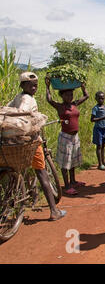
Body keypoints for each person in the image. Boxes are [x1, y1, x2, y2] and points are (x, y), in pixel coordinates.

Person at [8, 72, 66, 220]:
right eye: (30, 85)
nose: (34, 87)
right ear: (23, 85)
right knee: (42, 174)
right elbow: (23, 115)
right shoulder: (27, 100)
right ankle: (54, 211)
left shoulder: (18, 97)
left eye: (35, 85)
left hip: (14, 142)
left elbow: (8, 110)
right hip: (31, 142)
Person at [45, 77, 89, 196]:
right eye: (67, 95)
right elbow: (49, 99)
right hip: (66, 137)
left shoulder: (74, 104)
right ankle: (67, 186)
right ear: (62, 96)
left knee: (73, 160)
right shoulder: (60, 107)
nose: (70, 97)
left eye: (71, 94)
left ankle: (73, 181)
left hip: (75, 137)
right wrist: (47, 86)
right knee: (66, 162)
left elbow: (86, 96)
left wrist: (83, 86)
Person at [91, 91, 105, 171]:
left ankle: (103, 161)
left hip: (104, 129)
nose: (101, 100)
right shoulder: (95, 108)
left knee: (103, 145)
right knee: (99, 146)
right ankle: (100, 164)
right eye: (99, 98)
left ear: (104, 98)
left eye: (102, 98)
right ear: (96, 99)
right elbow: (92, 119)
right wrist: (102, 118)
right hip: (98, 129)